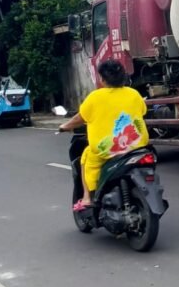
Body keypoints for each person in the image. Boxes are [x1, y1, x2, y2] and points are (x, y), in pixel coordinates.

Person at [59, 60, 149, 210]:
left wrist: (64, 126)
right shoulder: (134, 94)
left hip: (108, 149)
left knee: (88, 157)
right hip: (138, 146)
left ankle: (88, 197)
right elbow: (143, 111)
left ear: (102, 78)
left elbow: (80, 118)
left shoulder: (95, 97)